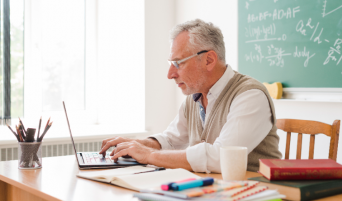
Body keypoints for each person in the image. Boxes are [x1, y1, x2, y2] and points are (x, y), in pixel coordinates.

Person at [99, 19, 282, 173]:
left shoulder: (250, 95)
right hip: (211, 190)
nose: (170, 74)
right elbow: (172, 140)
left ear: (209, 60)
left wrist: (148, 155)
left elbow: (220, 157)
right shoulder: (195, 95)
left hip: (254, 192)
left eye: (178, 63)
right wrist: (137, 144)